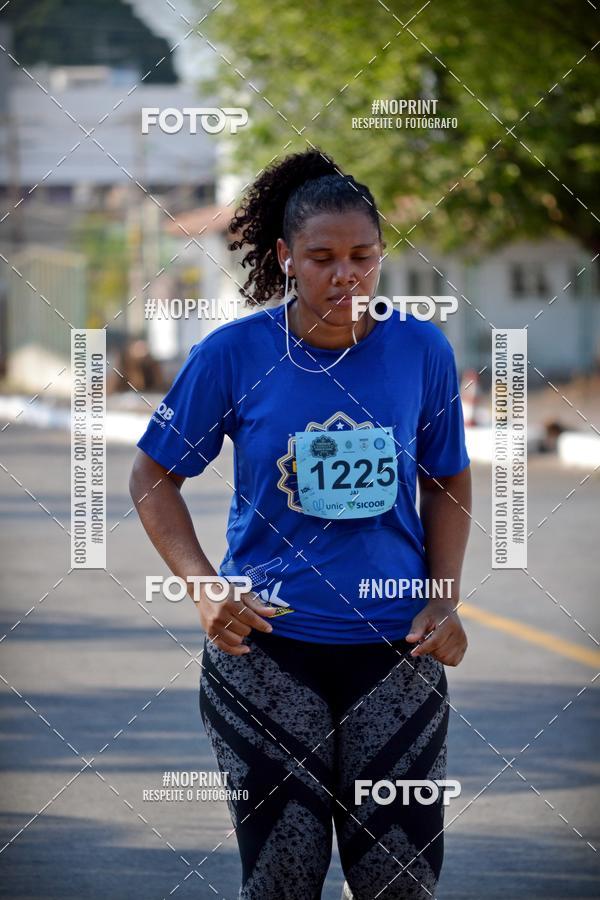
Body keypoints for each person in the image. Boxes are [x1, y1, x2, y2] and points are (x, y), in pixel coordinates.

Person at [130, 148, 471, 900]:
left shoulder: (421, 350)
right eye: (321, 258)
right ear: (285, 257)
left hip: (396, 653)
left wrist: (444, 596)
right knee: (284, 875)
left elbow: (447, 475)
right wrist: (203, 588)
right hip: (265, 652)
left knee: (400, 881)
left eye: (362, 257)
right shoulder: (232, 353)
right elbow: (153, 475)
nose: (344, 275)